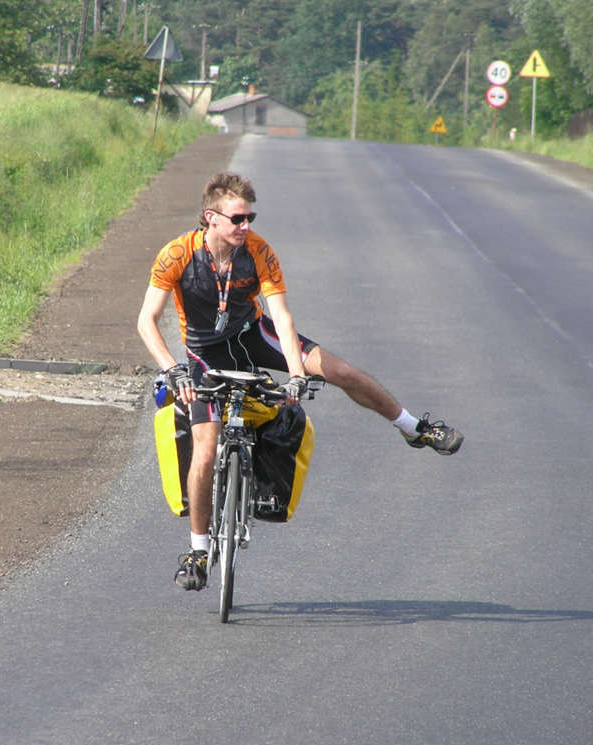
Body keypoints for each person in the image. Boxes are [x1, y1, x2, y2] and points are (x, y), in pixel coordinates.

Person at [137, 172, 463, 591]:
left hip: (253, 335)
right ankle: (198, 551)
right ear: (211, 218)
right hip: (203, 354)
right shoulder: (176, 254)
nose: (246, 226)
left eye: (250, 217)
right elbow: (146, 321)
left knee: (341, 371)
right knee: (204, 446)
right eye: (238, 219)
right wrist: (171, 367)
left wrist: (294, 374)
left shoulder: (258, 252)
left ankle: (414, 428)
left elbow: (284, 318)